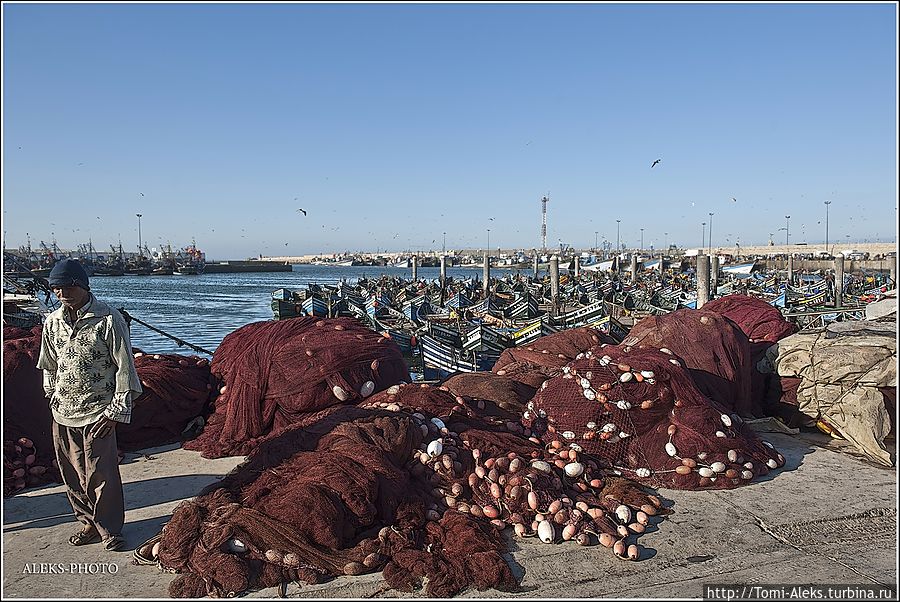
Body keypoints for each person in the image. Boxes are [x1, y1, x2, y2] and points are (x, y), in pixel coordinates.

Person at [37, 258, 142, 552]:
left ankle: (109, 529)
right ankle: (86, 523)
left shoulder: (108, 319)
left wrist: (116, 411)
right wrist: (51, 395)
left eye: (68, 286)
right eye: (56, 288)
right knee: (71, 471)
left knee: (101, 472)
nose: (62, 293)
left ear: (83, 285)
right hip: (63, 411)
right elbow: (49, 364)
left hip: (99, 411)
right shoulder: (52, 321)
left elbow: (125, 368)